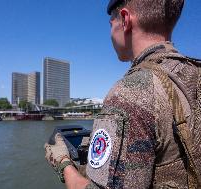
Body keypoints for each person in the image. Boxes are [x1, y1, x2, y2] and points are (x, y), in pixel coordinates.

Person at [44, 0, 201, 188]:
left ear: (125, 19)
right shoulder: (194, 74)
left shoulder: (130, 93)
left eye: (111, 22)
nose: (110, 32)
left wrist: (63, 163)